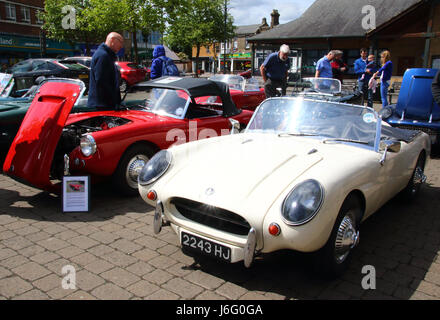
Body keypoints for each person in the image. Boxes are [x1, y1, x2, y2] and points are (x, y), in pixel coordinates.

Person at [87, 32, 123, 108]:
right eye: (120, 42)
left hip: (103, 104)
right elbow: (102, 81)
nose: (121, 46)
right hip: (102, 105)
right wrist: (114, 101)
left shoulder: (106, 55)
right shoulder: (103, 56)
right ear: (112, 40)